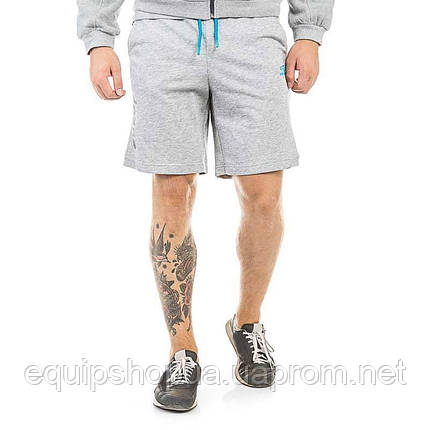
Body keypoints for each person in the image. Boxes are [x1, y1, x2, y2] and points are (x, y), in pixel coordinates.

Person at [77, 0, 334, 412]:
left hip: (253, 33)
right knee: (172, 192)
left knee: (264, 196)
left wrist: (309, 33)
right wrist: (98, 37)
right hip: (163, 31)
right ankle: (182, 351)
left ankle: (246, 324)